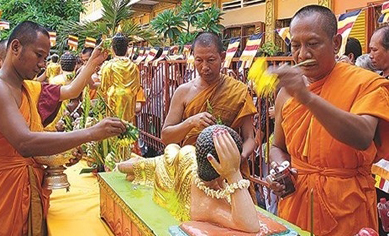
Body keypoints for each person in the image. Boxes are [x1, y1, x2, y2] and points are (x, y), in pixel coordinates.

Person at [0, 21, 126, 235]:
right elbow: (25, 143)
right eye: (39, 55)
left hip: (26, 188)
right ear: (15, 47)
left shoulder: (26, 88)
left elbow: (69, 92)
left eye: (45, 58)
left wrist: (93, 63)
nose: (43, 64)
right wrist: (90, 133)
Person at [268, 5, 389, 235]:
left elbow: (363, 136)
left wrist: (307, 98)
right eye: (295, 46)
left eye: (312, 44)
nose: (302, 54)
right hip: (297, 204)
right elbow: (277, 147)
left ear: (335, 43)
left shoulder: (365, 83)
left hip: (347, 207)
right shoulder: (287, 92)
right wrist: (281, 169)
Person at [118, 126, 260, 233]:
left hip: (186, 158)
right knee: (148, 165)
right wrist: (233, 173)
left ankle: (132, 164)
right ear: (220, 168)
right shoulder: (208, 204)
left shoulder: (209, 176)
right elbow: (250, 225)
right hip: (177, 165)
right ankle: (126, 165)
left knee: (157, 162)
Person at [161, 32, 256, 161]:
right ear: (193, 57)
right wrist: (191, 122)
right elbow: (166, 137)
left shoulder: (239, 91)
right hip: (191, 167)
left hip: (228, 165)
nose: (205, 67)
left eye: (211, 60)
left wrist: (238, 159)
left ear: (222, 57)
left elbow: (249, 138)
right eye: (199, 60)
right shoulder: (183, 92)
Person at [99, 33, 140, 122]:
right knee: (128, 123)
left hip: (114, 96)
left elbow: (104, 87)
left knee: (114, 124)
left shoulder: (109, 66)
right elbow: (137, 86)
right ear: (126, 49)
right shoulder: (133, 66)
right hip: (129, 96)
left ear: (112, 49)